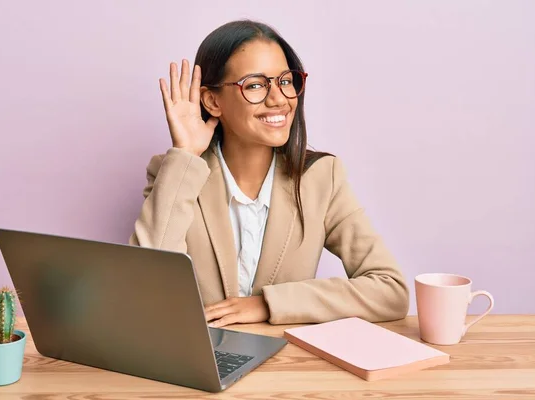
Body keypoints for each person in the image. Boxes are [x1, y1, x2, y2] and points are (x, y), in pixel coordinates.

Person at [129, 19, 409, 328]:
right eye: (256, 85)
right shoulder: (175, 174)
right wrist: (185, 154)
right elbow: (142, 288)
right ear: (213, 101)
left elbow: (390, 290)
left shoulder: (321, 178)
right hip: (197, 366)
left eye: (285, 81)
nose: (279, 99)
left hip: (286, 365)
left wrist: (267, 304)